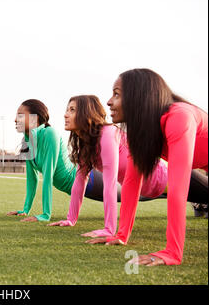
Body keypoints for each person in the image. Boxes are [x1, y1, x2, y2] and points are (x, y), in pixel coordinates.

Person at [86, 69, 208, 266]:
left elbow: (178, 189)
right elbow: (132, 182)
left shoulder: (179, 117)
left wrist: (172, 252)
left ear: (138, 96)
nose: (109, 101)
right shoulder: (142, 132)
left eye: (116, 94)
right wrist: (121, 235)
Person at [48, 95, 168, 237]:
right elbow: (80, 181)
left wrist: (109, 229)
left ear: (87, 113)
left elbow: (110, 184)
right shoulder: (86, 146)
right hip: (145, 190)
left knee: (200, 193)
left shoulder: (107, 135)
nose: (65, 115)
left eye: (72, 110)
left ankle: (201, 203)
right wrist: (71, 219)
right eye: (67, 110)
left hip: (163, 177)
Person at [7, 99, 120, 222]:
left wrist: (46, 214)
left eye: (20, 116)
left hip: (89, 181)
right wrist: (25, 209)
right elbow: (32, 178)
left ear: (35, 118)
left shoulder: (50, 134)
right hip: (74, 188)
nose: (15, 120)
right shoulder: (26, 140)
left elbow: (48, 176)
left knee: (136, 193)